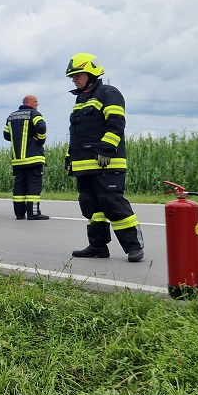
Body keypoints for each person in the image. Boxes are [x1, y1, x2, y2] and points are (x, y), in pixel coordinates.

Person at [64, 53, 144, 262]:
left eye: (77, 75)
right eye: (72, 76)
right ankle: (98, 246)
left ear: (90, 73)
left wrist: (106, 149)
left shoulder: (108, 93)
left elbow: (116, 123)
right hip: (85, 165)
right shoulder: (81, 99)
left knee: (112, 203)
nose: (74, 79)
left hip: (107, 163)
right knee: (92, 207)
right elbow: (76, 134)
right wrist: (69, 157)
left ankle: (134, 247)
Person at [3, 95, 49, 220]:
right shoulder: (34, 114)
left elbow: (6, 135)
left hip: (18, 160)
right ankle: (33, 213)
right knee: (34, 186)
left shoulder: (11, 116)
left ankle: (19, 214)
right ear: (28, 102)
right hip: (33, 159)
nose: (37, 104)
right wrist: (40, 140)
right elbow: (42, 126)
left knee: (20, 186)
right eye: (35, 102)